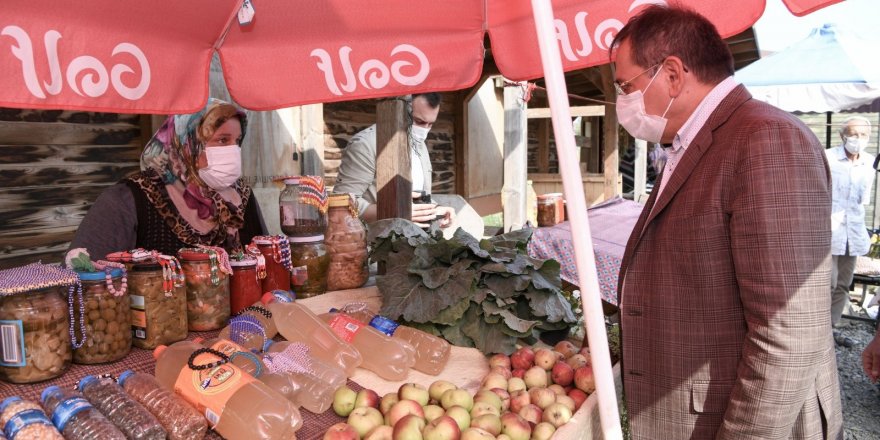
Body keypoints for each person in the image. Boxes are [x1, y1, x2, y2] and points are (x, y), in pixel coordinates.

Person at [612, 5, 842, 439]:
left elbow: (789, 335)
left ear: (673, 74)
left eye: (626, 86)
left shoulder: (766, 140)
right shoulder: (693, 142)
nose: (623, 101)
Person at [70, 98, 266, 258]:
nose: (233, 151)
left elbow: (266, 261)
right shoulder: (131, 198)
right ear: (188, 142)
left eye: (237, 141)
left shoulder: (240, 197)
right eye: (222, 140)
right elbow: (84, 277)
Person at [333, 93, 455, 227]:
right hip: (375, 242)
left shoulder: (419, 143)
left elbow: (414, 196)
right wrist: (394, 212)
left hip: (414, 241)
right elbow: (343, 202)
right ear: (398, 110)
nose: (424, 130)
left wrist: (435, 209)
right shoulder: (366, 144)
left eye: (430, 124)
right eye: (419, 121)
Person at [827, 116, 875, 347]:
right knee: (829, 282)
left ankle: (831, 329)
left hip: (853, 229)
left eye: (863, 135)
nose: (858, 139)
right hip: (830, 228)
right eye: (853, 134)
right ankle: (817, 329)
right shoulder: (828, 157)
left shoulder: (868, 162)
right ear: (842, 135)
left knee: (844, 283)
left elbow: (863, 199)